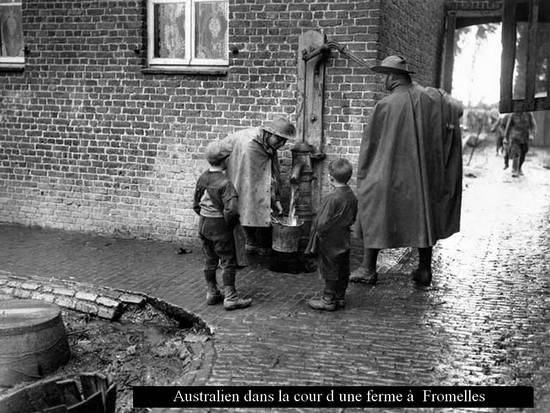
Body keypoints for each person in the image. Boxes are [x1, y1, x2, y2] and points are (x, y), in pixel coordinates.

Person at [351, 55, 463, 286]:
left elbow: (371, 146)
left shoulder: (385, 105)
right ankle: (424, 270)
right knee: (424, 212)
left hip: (392, 174)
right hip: (422, 176)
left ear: (392, 78)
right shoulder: (432, 96)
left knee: (373, 205)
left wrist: (367, 174)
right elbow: (457, 108)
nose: (384, 81)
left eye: (385, 76)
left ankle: (368, 268)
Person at [219, 116, 296, 255]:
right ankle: (245, 245)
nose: (281, 144)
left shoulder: (269, 145)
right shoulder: (249, 142)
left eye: (284, 140)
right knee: (245, 208)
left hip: (255, 182)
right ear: (269, 132)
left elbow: (271, 175)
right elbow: (216, 152)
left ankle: (256, 244)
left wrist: (276, 197)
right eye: (279, 139)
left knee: (260, 209)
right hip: (241, 180)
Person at [193, 141, 252, 310]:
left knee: (210, 259)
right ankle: (231, 298)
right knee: (227, 261)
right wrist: (230, 225)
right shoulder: (226, 184)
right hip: (220, 225)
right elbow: (231, 210)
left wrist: (205, 215)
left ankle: (212, 293)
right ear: (225, 160)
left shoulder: (203, 177)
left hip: (203, 223)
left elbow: (196, 204)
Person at [305, 158, 358, 311]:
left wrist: (317, 234)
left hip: (330, 240)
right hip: (344, 237)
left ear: (331, 177)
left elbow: (321, 223)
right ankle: (340, 297)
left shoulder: (332, 198)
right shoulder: (352, 196)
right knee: (343, 268)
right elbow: (354, 216)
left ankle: (328, 299)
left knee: (330, 268)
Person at [503, 111, 536, 177]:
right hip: (515, 137)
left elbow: (533, 125)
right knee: (516, 153)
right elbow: (508, 126)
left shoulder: (529, 113)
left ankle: (519, 167)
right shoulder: (512, 114)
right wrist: (505, 137)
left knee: (523, 154)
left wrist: (532, 134)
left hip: (525, 137)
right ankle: (515, 170)